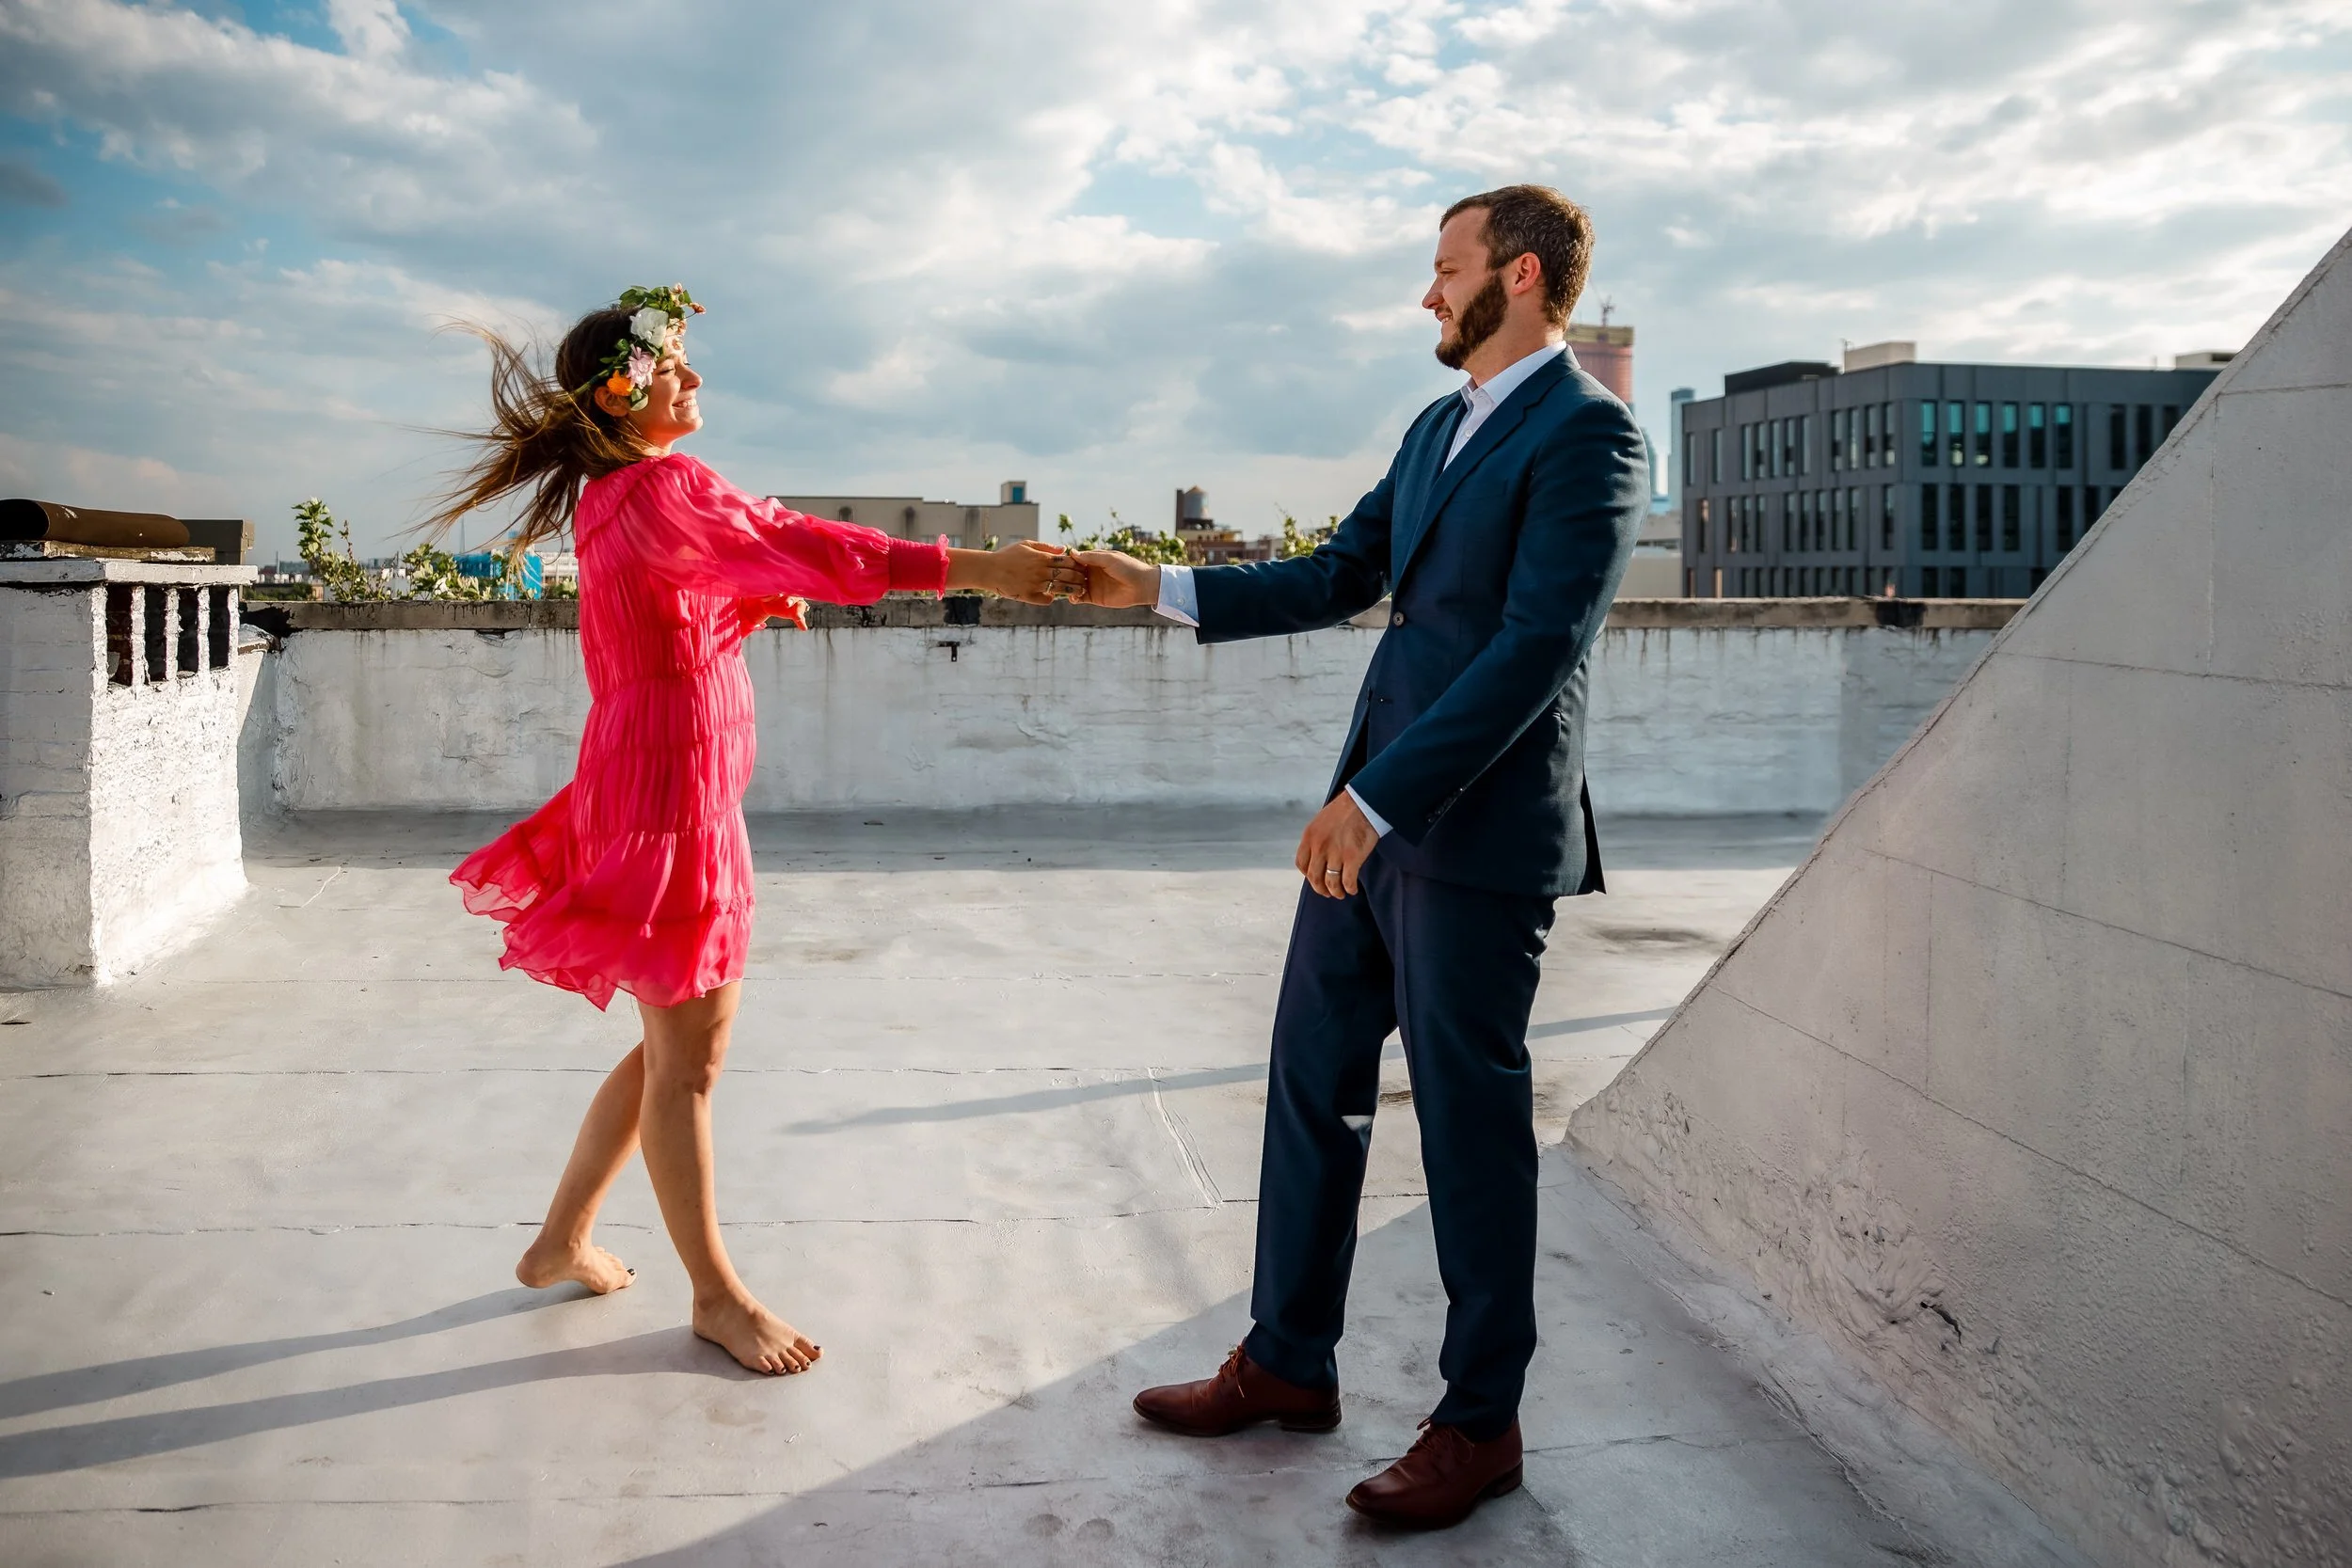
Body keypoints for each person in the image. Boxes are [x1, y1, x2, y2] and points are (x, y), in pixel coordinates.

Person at [1076, 188, 1645, 1528]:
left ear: (1515, 274)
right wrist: (1158, 586)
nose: (1425, 296)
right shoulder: (1437, 427)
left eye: (1443, 272)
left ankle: (1480, 1419)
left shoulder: (1593, 435)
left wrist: (1378, 798)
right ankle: (1285, 1359)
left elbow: (1535, 644)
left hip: (1471, 837)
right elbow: (1342, 571)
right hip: (1372, 824)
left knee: (1468, 1125)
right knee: (1310, 1079)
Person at [432, 287, 1081, 1374]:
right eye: (676, 365)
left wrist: (740, 604)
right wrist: (981, 566)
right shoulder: (666, 481)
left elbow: (659, 616)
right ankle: (716, 1296)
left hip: (659, 780)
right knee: (693, 1059)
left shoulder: (616, 497)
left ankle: (561, 1239)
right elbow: (799, 539)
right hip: (670, 799)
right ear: (625, 388)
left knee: (669, 1046)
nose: (695, 380)